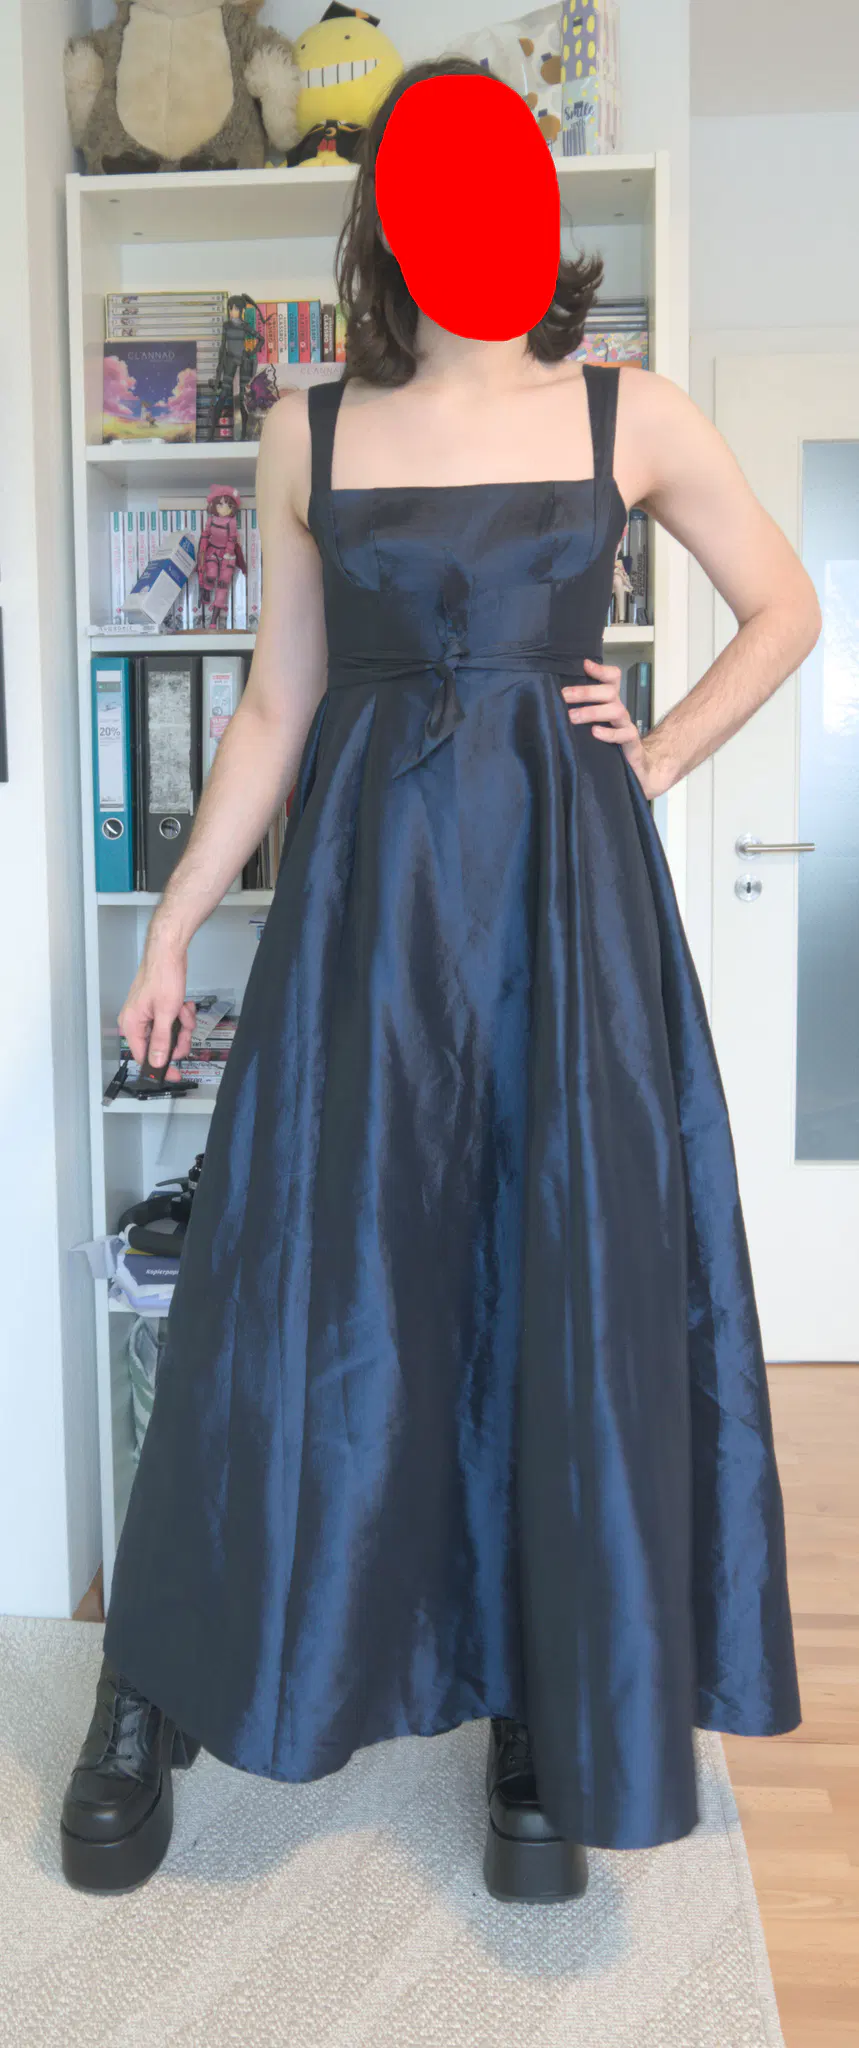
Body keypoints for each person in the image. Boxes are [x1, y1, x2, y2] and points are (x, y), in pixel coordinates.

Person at [61, 56, 815, 1906]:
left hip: (565, 916)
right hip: (368, 927)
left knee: (551, 1277)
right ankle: (159, 1684)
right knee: (290, 1279)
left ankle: (541, 1705)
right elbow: (274, 705)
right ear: (390, 218)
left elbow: (786, 606)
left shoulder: (628, 411)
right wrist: (171, 923)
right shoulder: (306, 431)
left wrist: (656, 753)